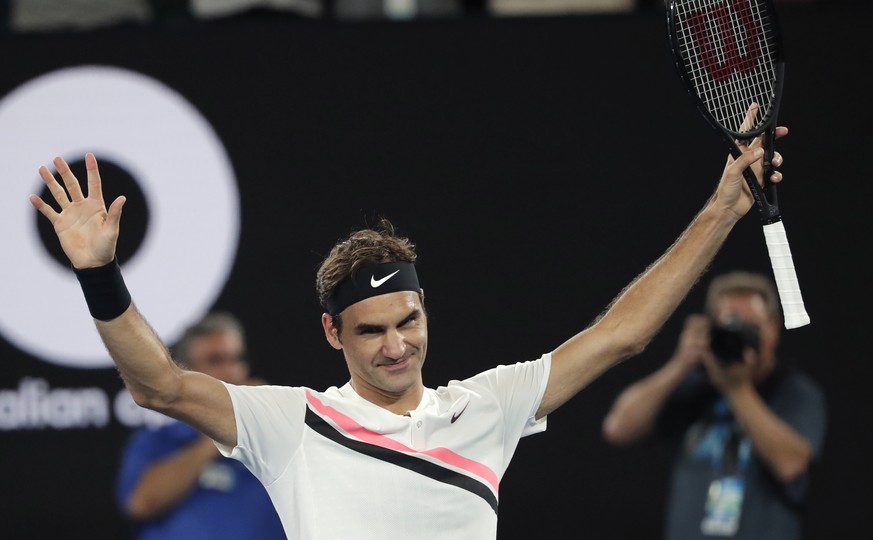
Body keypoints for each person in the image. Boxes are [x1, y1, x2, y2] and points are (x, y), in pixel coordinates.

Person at [30, 105, 787, 538]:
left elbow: (623, 333)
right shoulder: (289, 422)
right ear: (333, 335)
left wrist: (724, 206)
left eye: (408, 320)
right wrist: (98, 273)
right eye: (370, 330)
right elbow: (159, 386)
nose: (397, 345)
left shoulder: (483, 409)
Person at [602, 271, 826, 540]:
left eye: (751, 326)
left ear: (773, 329)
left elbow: (792, 464)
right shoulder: (697, 387)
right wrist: (680, 364)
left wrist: (736, 388)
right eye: (731, 325)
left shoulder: (795, 391)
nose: (740, 337)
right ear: (710, 328)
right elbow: (617, 428)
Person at [115, 311, 286, 540]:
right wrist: (220, 432)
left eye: (237, 359)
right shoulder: (158, 440)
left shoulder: (274, 440)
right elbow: (141, 503)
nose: (231, 372)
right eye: (215, 360)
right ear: (185, 372)